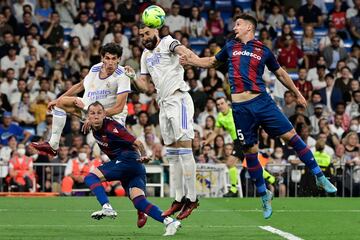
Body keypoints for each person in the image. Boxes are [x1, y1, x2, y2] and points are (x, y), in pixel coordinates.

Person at [180, 14, 337, 219]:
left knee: (293, 137)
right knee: (250, 153)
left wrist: (297, 94)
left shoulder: (263, 50)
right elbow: (210, 62)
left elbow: (280, 73)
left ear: (249, 28)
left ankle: (319, 175)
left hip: (262, 102)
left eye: (238, 24)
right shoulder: (230, 47)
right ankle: (264, 196)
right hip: (240, 109)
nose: (234, 27)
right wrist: (190, 60)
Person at [125, 22, 198, 220]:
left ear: (156, 31)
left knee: (185, 149)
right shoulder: (145, 56)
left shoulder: (168, 42)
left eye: (147, 33)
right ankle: (178, 198)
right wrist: (132, 77)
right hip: (163, 104)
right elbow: (144, 86)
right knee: (173, 155)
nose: (144, 37)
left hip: (179, 99)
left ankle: (192, 198)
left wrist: (189, 56)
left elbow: (182, 49)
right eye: (141, 35)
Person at [84, 102, 180, 236]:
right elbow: (75, 111)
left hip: (127, 160)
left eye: (99, 113)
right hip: (133, 166)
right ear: (88, 116)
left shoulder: (112, 128)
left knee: (90, 177)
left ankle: (106, 206)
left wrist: (144, 155)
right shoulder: (92, 124)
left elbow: (138, 143)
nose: (95, 116)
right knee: (139, 201)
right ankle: (169, 222)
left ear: (105, 114)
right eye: (92, 113)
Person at [30, 43, 131, 156]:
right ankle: (53, 145)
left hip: (111, 117)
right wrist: (57, 99)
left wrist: (94, 116)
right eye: (107, 58)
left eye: (114, 58)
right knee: (60, 103)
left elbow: (119, 108)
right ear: (102, 58)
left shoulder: (123, 75)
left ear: (119, 59)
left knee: (115, 153)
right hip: (90, 110)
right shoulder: (95, 68)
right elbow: (80, 86)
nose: (110, 62)